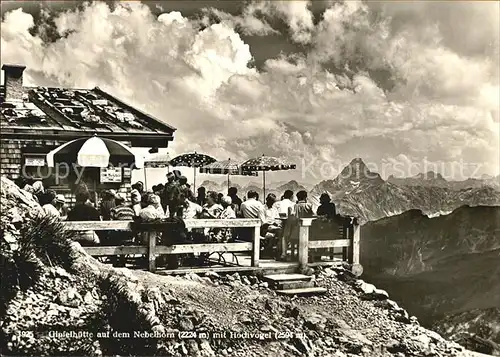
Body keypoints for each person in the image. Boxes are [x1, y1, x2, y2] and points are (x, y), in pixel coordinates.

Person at [285, 190, 314, 259]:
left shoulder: (295, 206)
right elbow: (313, 216)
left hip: (296, 232)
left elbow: (292, 219)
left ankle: (294, 255)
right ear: (305, 198)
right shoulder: (309, 206)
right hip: (308, 232)